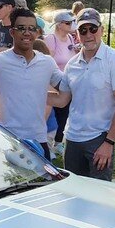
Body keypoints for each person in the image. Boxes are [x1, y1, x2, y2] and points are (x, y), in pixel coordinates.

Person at [47, 8, 115, 181]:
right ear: (77, 33)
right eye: (83, 30)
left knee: (99, 196)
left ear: (101, 30)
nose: (88, 35)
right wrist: (29, 91)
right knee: (74, 194)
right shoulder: (72, 64)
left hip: (100, 138)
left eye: (93, 29)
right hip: (72, 139)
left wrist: (109, 143)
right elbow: (62, 99)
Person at [0, 8, 64, 159]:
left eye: (32, 29)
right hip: (6, 140)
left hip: (38, 140)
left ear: (37, 32)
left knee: (45, 183)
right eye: (21, 28)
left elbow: (66, 90)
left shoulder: (47, 62)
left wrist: (38, 94)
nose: (27, 33)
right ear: (12, 32)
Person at [43, 11, 81, 152]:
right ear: (59, 25)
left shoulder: (71, 38)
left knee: (64, 113)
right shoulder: (51, 39)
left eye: (72, 22)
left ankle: (58, 142)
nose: (72, 25)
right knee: (50, 115)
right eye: (68, 22)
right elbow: (48, 61)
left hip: (67, 81)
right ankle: (46, 144)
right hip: (53, 83)